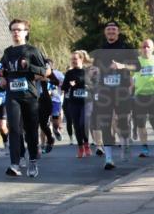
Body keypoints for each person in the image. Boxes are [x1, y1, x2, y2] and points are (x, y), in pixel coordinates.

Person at [0, 18, 49, 178]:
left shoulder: (32, 50)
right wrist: (2, 77)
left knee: (31, 130)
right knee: (13, 128)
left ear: (26, 32)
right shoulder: (7, 52)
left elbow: (45, 72)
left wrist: (30, 67)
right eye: (13, 30)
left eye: (19, 29)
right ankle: (15, 164)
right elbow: (3, 70)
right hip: (12, 95)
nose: (15, 32)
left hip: (29, 96)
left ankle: (32, 160)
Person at [92, 21, 138, 169]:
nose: (111, 31)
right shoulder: (101, 50)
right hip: (105, 92)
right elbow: (97, 70)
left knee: (123, 122)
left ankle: (125, 142)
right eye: (108, 29)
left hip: (122, 91)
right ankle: (109, 159)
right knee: (105, 123)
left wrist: (123, 66)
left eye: (114, 29)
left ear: (118, 32)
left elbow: (137, 66)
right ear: (105, 32)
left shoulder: (126, 47)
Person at [62, 50, 92, 158]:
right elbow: (63, 88)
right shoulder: (69, 73)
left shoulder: (88, 71)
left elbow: (95, 85)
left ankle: (87, 144)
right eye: (72, 59)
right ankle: (80, 148)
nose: (73, 61)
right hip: (73, 102)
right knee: (76, 126)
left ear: (81, 59)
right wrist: (70, 85)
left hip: (86, 102)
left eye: (75, 59)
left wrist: (88, 87)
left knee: (83, 124)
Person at [133, 38, 154, 158]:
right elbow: (129, 78)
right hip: (140, 97)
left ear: (152, 49)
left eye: (148, 46)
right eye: (143, 46)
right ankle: (144, 148)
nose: (145, 49)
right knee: (141, 124)